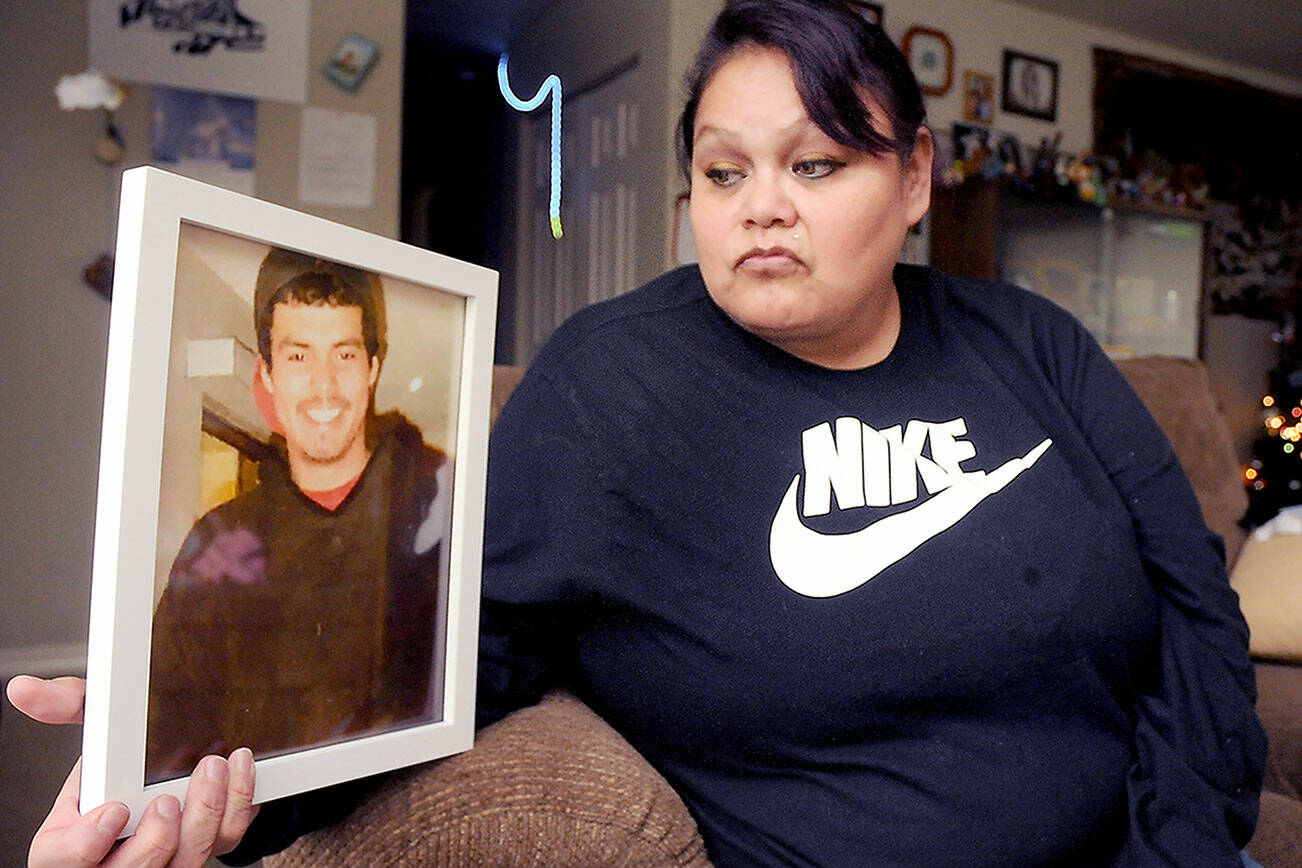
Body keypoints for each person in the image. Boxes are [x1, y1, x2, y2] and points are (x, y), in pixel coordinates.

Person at [8, 1, 1265, 865]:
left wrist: (1187, 841)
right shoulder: (613, 389)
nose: (763, 207)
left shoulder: (1030, 342)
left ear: (918, 176)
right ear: (689, 199)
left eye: (818, 164)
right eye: (725, 173)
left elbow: (1193, 599)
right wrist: (175, 738)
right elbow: (437, 661)